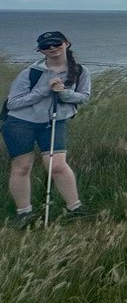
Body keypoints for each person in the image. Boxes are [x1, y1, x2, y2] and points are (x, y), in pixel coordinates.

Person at [4, 31, 92, 228]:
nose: (52, 48)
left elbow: (84, 97)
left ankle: (75, 209)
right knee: (22, 166)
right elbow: (13, 103)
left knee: (57, 165)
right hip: (20, 122)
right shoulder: (31, 72)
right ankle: (24, 214)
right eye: (46, 45)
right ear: (40, 50)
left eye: (56, 43)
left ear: (67, 43)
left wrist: (64, 93)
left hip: (55, 121)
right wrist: (43, 90)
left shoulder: (80, 71)